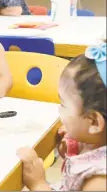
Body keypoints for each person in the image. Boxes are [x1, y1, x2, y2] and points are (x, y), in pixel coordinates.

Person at [17, 42, 106, 191]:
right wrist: (75, 149)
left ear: (94, 122)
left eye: (63, 104)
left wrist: (39, 185)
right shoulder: (97, 141)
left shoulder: (99, 182)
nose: (59, 109)